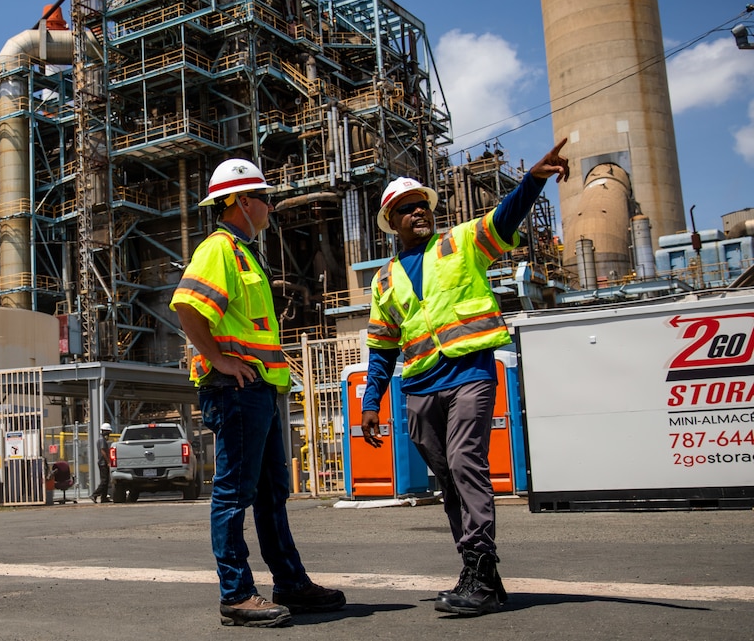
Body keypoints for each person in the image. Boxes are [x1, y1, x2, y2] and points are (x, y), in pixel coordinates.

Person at [361, 140, 570, 616]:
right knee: (448, 481)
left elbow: (505, 217)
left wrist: (533, 180)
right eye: (407, 209)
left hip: (470, 372)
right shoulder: (383, 280)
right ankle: (480, 577)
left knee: (465, 462)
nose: (419, 212)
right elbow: (381, 348)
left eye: (423, 205)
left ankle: (481, 567)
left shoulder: (460, 243)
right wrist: (371, 402)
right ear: (391, 222)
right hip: (418, 387)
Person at [170, 158, 346, 628]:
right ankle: (237, 595)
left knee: (271, 494)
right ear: (241, 202)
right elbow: (187, 307)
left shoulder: (246, 252)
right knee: (233, 494)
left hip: (261, 390)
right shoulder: (219, 248)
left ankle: (291, 584)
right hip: (235, 389)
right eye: (264, 198)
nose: (270, 206)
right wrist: (222, 360)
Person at [91, 422, 113, 503]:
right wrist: (108, 462)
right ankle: (94, 494)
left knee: (106, 481)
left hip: (102, 463)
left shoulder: (102, 440)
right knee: (104, 481)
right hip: (103, 463)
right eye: (108, 432)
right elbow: (103, 451)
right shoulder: (102, 440)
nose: (109, 434)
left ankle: (104, 498)